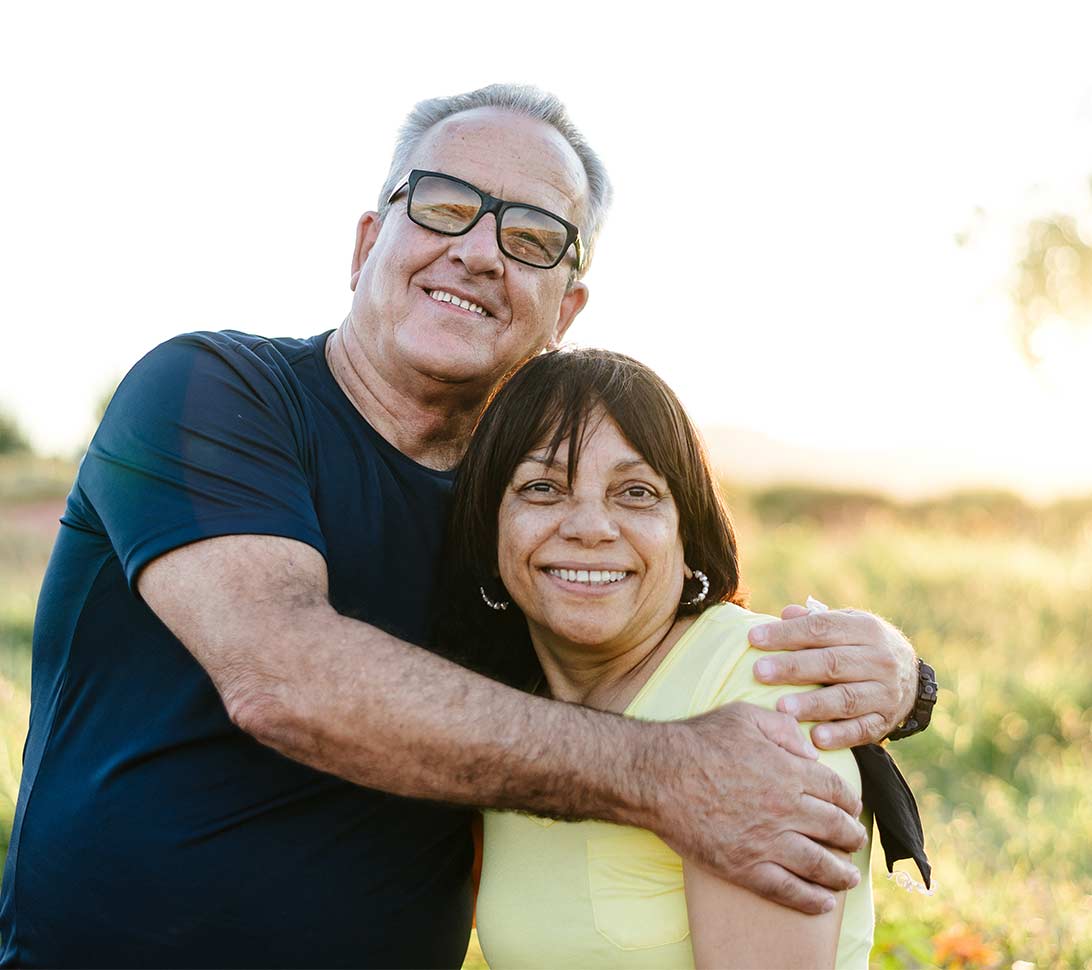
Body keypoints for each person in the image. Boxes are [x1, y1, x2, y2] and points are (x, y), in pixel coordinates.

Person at [0, 85, 925, 968]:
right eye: (443, 206)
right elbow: (283, 678)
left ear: (565, 309)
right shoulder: (209, 392)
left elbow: (656, 644)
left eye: (531, 236)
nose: (479, 251)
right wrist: (671, 773)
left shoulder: (524, 515)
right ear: (366, 244)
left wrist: (904, 681)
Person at [443, 347, 877, 968]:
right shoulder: (508, 711)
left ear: (686, 528)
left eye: (637, 492)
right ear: (488, 527)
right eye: (541, 487)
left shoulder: (761, 689)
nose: (590, 526)